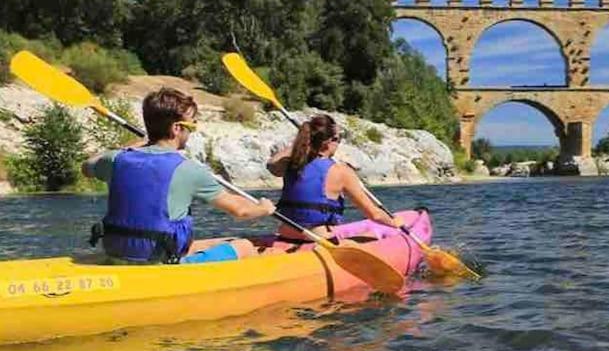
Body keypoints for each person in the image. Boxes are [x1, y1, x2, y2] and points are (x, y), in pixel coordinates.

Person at [82, 87, 276, 264]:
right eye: (191, 126)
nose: (192, 131)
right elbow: (241, 211)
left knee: (217, 242)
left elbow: (87, 166)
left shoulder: (116, 159)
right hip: (161, 260)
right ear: (176, 128)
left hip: (116, 253)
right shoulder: (188, 169)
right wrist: (264, 208)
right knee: (244, 246)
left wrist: (131, 146)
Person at [265, 114, 397, 244]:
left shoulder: (293, 164)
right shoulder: (341, 172)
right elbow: (374, 215)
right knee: (370, 238)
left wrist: (301, 144)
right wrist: (396, 223)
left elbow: (271, 165)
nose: (339, 143)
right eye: (338, 139)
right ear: (329, 142)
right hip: (318, 241)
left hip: (286, 237)